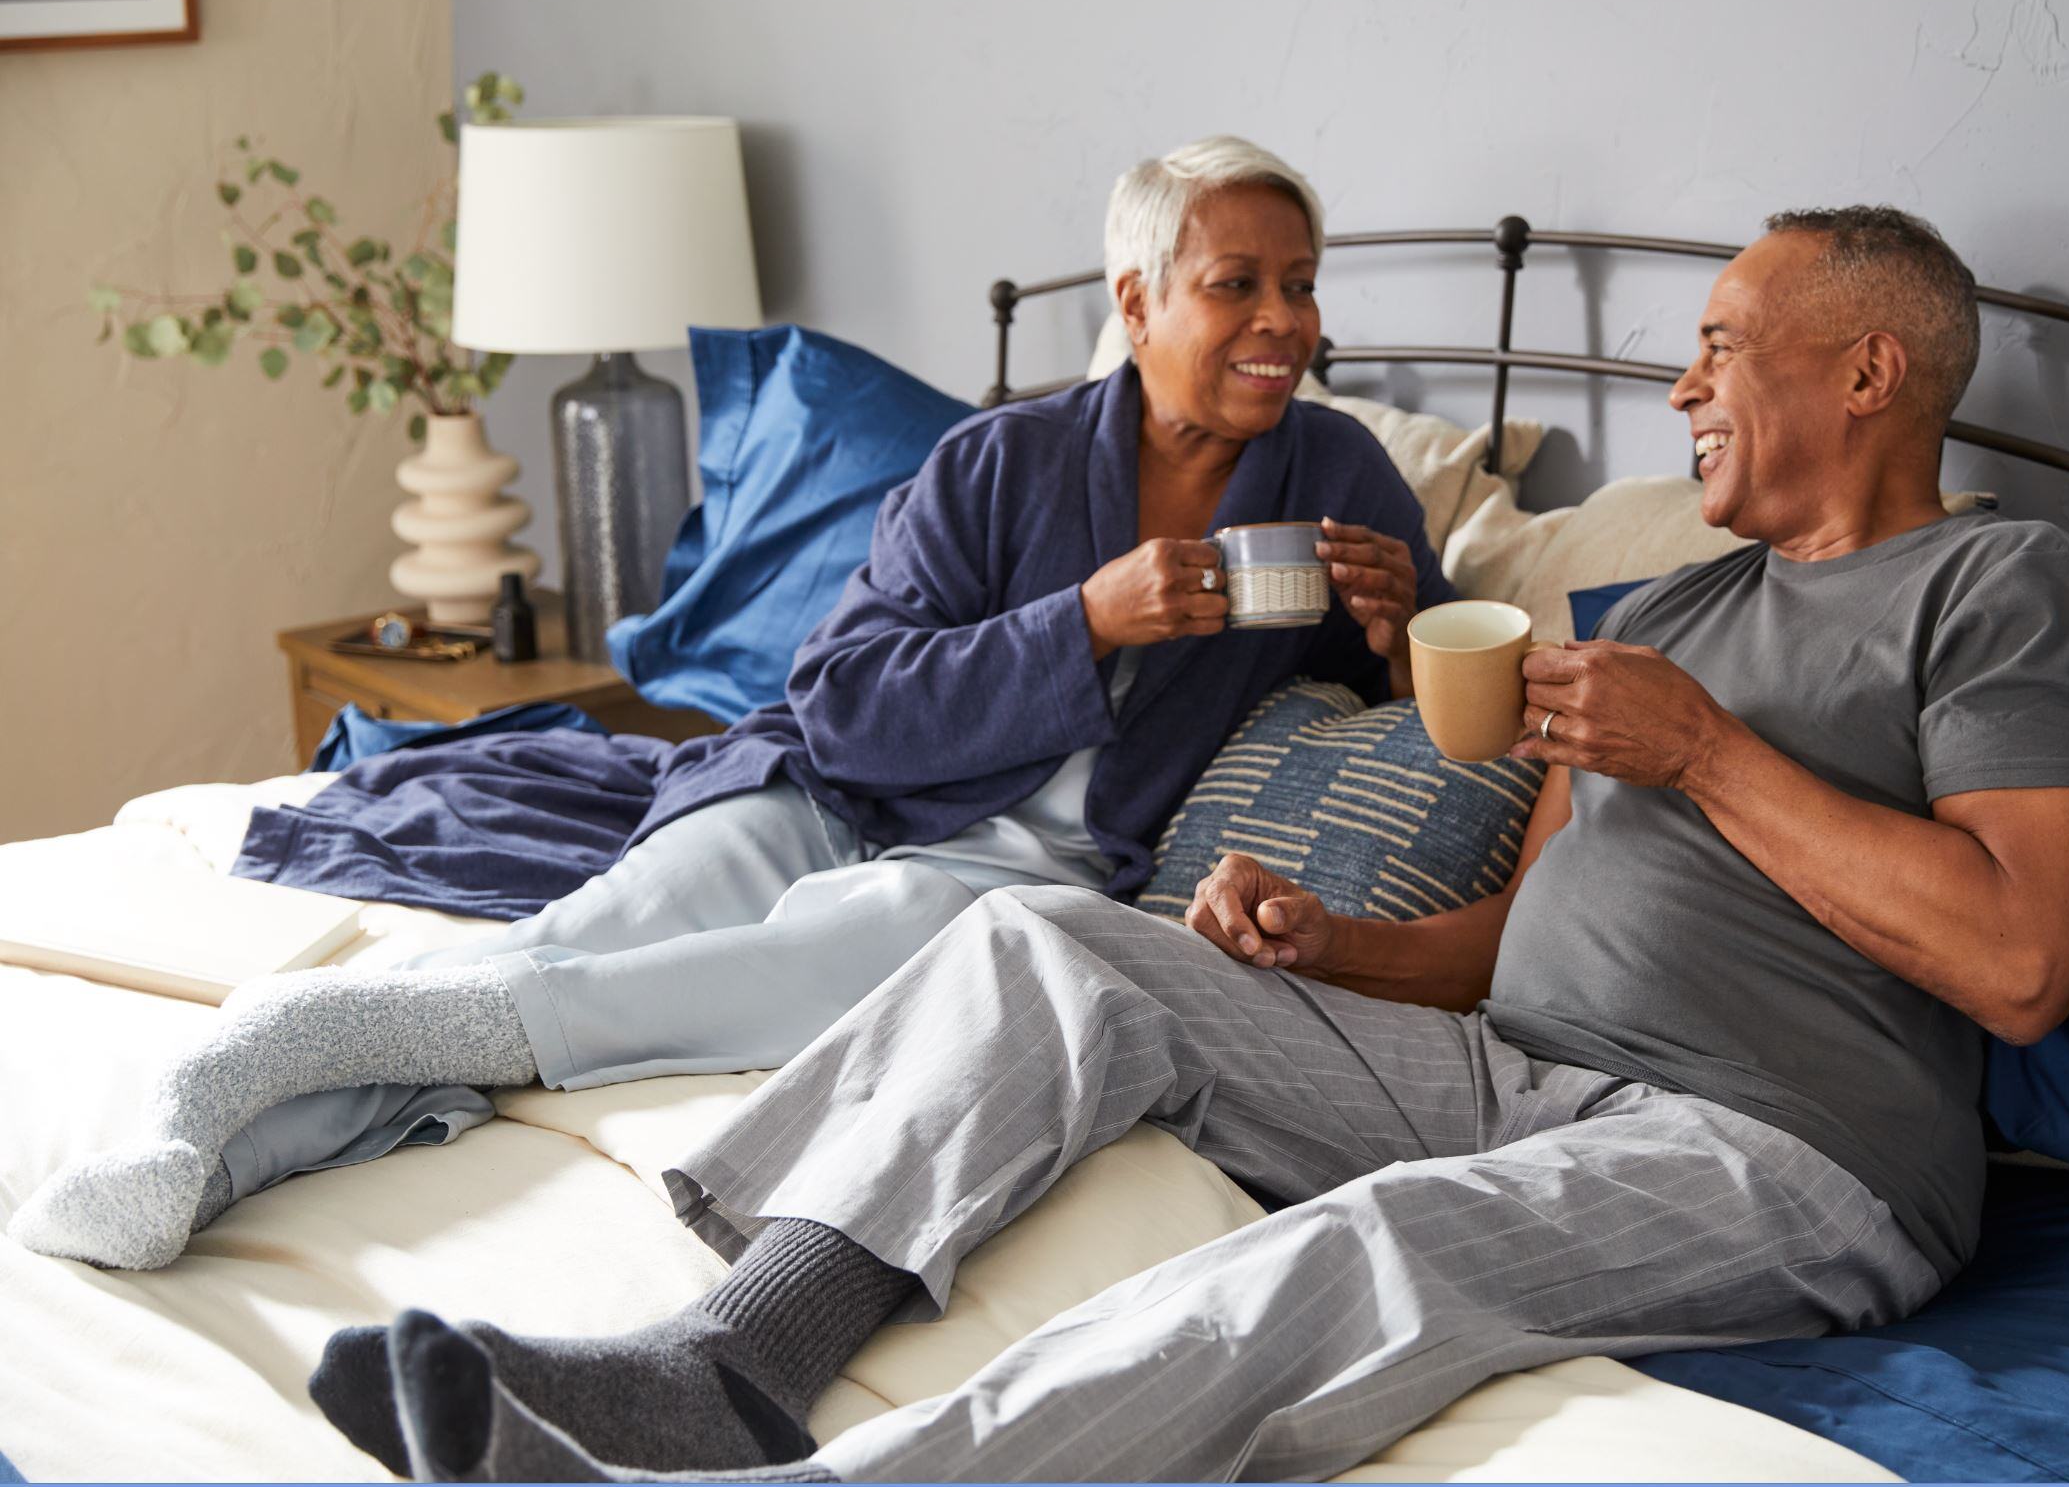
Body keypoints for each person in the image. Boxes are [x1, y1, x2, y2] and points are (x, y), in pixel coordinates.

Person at [309, 204, 2069, 1485]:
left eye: (1720, 347)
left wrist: (1711, 754)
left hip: (1790, 1153)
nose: (1681, 389)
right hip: (1519, 1069)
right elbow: (1513, 944)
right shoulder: (1661, 605)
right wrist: (1320, 948)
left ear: (1869, 371)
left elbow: (2018, 958)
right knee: (1051, 943)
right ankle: (723, 1364)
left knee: (1374, 1248)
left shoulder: (2002, 586)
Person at [8, 135, 1453, 1274]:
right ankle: (209, 1119)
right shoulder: (1000, 463)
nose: (1284, 320)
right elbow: (841, 699)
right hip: (827, 792)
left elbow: (1461, 725)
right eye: (1237, 283)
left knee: (735, 977)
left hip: (1011, 878)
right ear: (1134, 302)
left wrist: (1398, 635)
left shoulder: (1337, 479)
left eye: (1303, 284)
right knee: (596, 931)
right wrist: (1084, 618)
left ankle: (276, 1073)